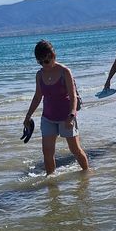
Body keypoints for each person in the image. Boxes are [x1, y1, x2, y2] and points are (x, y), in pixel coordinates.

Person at [23, 40, 89, 176]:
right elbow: (37, 97)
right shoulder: (39, 75)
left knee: (75, 150)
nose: (44, 65)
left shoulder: (65, 72)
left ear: (53, 55)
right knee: (47, 152)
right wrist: (28, 116)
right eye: (40, 62)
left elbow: (73, 97)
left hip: (66, 117)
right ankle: (51, 184)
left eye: (46, 61)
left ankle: (87, 174)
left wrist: (71, 116)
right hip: (48, 117)